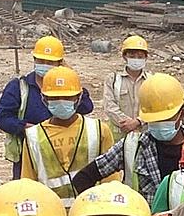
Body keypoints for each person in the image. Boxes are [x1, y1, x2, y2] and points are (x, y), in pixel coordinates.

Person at [71, 74, 184, 203]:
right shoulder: (132, 147)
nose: (160, 124)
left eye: (166, 118)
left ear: (183, 113)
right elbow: (83, 178)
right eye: (154, 120)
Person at [0, 35, 97, 176]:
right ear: (34, 60)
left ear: (60, 63)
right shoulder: (19, 87)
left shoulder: (68, 87)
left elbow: (87, 106)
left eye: (50, 62)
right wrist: (26, 128)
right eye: (41, 61)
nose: (45, 65)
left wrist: (71, 75)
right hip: (30, 152)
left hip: (65, 152)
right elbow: (3, 117)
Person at [19, 66, 116, 207]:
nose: (61, 101)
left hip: (91, 212)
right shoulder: (33, 137)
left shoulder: (99, 130)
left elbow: (111, 179)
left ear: (79, 97)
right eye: (55, 98)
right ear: (44, 98)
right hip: (52, 214)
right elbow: (28, 184)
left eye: (67, 97)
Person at [103, 34, 153, 134]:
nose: (136, 59)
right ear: (124, 57)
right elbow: (109, 106)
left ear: (146, 58)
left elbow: (154, 107)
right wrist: (128, 124)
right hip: (120, 133)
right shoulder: (113, 80)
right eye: (132, 56)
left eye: (140, 57)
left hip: (145, 134)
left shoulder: (151, 80)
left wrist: (138, 122)